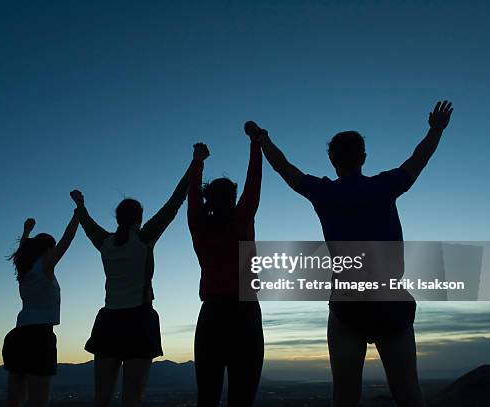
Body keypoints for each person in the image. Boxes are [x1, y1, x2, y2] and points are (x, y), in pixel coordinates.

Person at [251, 100, 453, 407]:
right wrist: (435, 130)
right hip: (390, 304)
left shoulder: (325, 193)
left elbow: (284, 167)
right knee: (408, 394)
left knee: (345, 397)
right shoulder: (385, 186)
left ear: (333, 159)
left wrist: (262, 138)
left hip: (349, 308)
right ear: (363, 157)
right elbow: (419, 159)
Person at [70, 164, 191, 407]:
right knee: (133, 397)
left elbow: (87, 224)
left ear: (117, 218)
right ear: (140, 218)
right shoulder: (144, 238)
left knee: (101, 397)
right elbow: (174, 203)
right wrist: (195, 164)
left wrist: (81, 205)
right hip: (139, 320)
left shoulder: (105, 242)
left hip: (109, 322)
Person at [186, 125, 263, 407]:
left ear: (209, 199)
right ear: (233, 197)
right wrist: (256, 144)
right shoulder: (242, 218)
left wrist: (198, 161)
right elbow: (254, 180)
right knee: (242, 399)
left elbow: (192, 196)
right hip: (245, 315)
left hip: (212, 317)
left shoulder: (198, 224)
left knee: (207, 397)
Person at [2, 210, 80, 407]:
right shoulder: (45, 265)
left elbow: (22, 250)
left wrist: (27, 230)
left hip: (17, 336)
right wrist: (78, 214)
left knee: (15, 398)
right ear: (47, 249)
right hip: (39, 338)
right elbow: (68, 238)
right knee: (39, 400)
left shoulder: (25, 269)